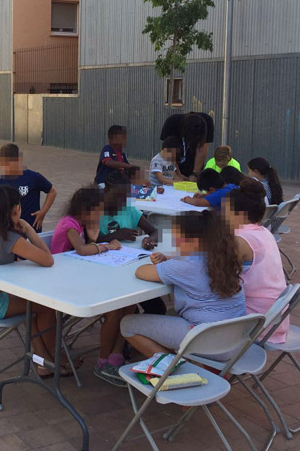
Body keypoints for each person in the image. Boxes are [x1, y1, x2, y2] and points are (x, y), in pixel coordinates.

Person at [0, 186, 71, 378]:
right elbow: (48, 260)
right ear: (16, 209)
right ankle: (59, 359)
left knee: (30, 307)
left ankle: (43, 362)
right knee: (46, 307)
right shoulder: (11, 239)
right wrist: (29, 230)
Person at [121, 210, 246, 359]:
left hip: (210, 341)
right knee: (167, 315)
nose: (174, 242)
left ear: (194, 242)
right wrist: (169, 258)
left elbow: (141, 272)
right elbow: (195, 264)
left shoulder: (183, 267)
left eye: (178, 237)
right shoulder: (224, 257)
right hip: (237, 339)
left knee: (127, 325)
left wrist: (168, 263)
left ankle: (173, 368)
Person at [50, 186, 130, 385]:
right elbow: (82, 249)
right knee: (114, 311)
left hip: (80, 276)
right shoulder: (69, 224)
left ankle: (115, 356)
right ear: (86, 210)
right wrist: (106, 246)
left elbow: (91, 241)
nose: (101, 215)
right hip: (61, 284)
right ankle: (102, 362)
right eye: (98, 211)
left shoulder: (80, 223)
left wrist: (94, 229)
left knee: (129, 305)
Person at [222, 179, 290, 343]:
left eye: (225, 211)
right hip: (275, 320)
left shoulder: (240, 240)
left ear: (239, 214)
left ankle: (211, 366)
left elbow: (211, 275)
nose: (221, 216)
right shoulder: (265, 233)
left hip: (254, 324)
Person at [0, 144, 57, 232]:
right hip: (12, 229)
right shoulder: (2, 181)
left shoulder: (33, 177)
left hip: (32, 227)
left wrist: (43, 212)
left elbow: (52, 191)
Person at [97, 172, 158, 251]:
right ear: (106, 190)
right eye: (118, 196)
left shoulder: (129, 210)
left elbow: (155, 231)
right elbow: (87, 241)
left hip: (126, 257)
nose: (123, 200)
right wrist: (115, 235)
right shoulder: (94, 211)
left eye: (126, 196)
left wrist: (150, 239)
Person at [159, 112, 215, 181]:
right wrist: (176, 175)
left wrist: (195, 174)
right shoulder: (172, 122)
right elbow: (167, 153)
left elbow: (202, 149)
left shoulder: (208, 121)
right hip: (173, 165)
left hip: (192, 165)